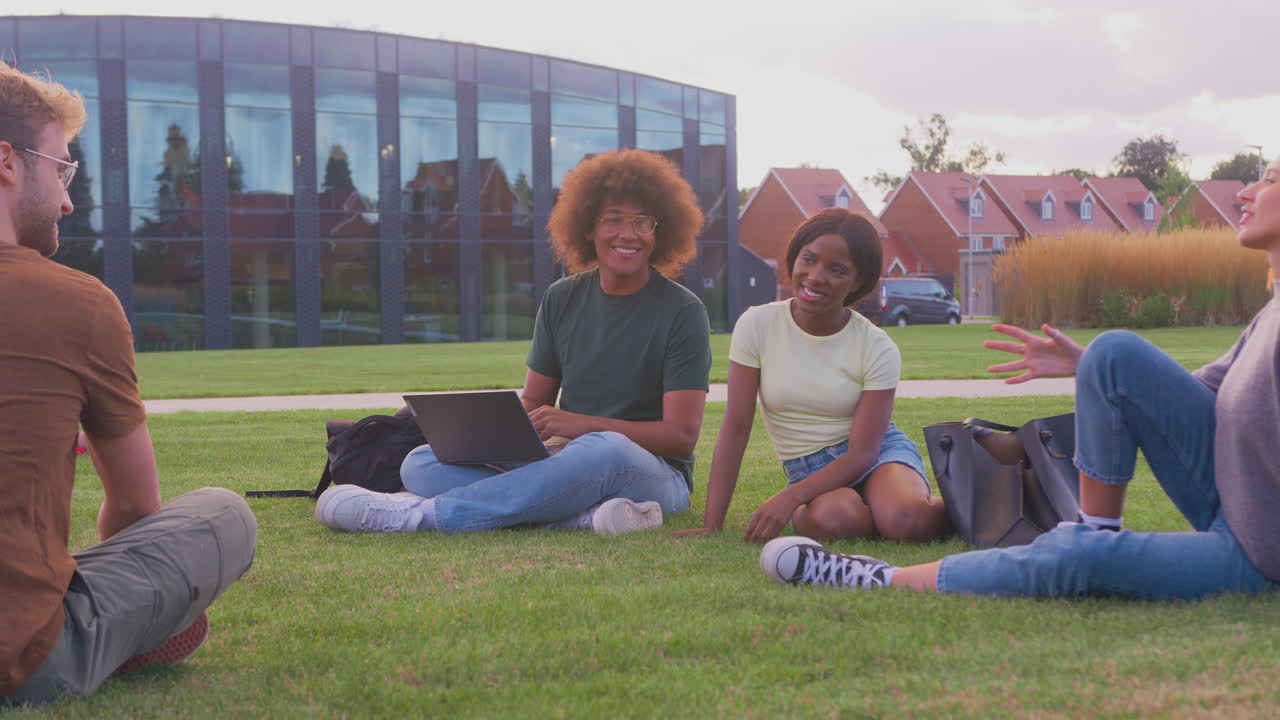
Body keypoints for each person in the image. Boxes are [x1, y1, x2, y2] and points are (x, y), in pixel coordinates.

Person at [759, 158, 1280, 599]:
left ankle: (879, 577)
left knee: (1077, 559)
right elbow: (1198, 397)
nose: (1248, 192)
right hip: (1232, 501)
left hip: (1261, 549)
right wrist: (1090, 366)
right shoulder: (1271, 312)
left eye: (1271, 180)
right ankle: (1094, 531)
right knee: (1114, 351)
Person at [0, 62, 257, 705]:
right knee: (224, 514)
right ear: (6, 162)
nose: (67, 198)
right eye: (61, 167)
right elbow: (137, 511)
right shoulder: (78, 304)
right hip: (23, 658)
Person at [316, 149, 711, 535]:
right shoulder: (562, 297)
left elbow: (679, 437)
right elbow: (535, 401)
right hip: (564, 458)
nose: (629, 234)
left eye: (643, 222)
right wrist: (490, 432)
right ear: (587, 227)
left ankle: (422, 517)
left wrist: (579, 426)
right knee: (420, 462)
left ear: (660, 232)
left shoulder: (682, 311)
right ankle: (576, 516)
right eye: (614, 219)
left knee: (605, 449)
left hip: (652, 474)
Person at [673, 209, 948, 544]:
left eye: (837, 269)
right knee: (836, 520)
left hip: (876, 455)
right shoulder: (757, 325)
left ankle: (975, 504)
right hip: (810, 469)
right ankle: (872, 511)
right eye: (809, 259)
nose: (816, 276)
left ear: (858, 281)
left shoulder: (877, 346)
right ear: (794, 258)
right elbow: (736, 427)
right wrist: (711, 524)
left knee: (908, 522)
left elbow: (862, 453)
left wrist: (789, 498)